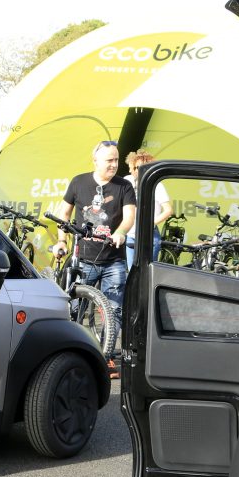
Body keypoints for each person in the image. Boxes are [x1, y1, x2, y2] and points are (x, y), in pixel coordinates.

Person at [51, 140, 137, 368]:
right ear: (95, 160)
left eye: (116, 160)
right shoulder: (79, 182)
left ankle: (105, 354)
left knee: (114, 309)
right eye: (109, 160)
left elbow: (129, 216)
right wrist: (61, 240)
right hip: (84, 258)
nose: (114, 164)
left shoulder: (124, 186)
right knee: (75, 307)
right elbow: (64, 213)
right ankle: (72, 353)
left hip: (114, 260)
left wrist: (120, 232)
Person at [124, 150, 174, 267]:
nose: (131, 171)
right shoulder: (128, 180)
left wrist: (149, 224)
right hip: (131, 236)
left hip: (149, 237)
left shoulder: (157, 185)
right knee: (132, 273)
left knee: (147, 273)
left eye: (135, 168)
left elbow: (168, 210)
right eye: (131, 167)